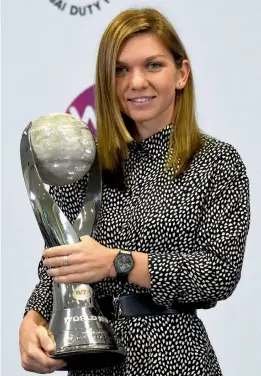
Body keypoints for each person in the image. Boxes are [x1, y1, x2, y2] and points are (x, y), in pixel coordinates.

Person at [19, 7, 250, 376]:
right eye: (120, 70)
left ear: (182, 74)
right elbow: (60, 264)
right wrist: (32, 320)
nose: (136, 82)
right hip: (93, 360)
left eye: (153, 65)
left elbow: (218, 273)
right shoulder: (85, 165)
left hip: (176, 360)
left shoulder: (217, 162)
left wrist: (118, 262)